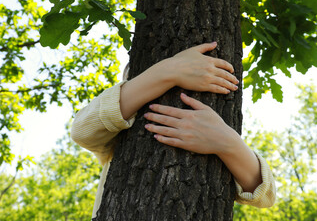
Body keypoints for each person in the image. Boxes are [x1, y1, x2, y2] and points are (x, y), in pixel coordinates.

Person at [70, 42, 276, 218]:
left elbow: (266, 195)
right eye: (136, 83)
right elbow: (81, 129)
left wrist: (227, 142)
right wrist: (168, 71)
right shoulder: (116, 139)